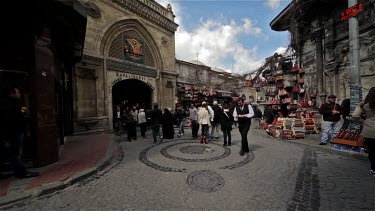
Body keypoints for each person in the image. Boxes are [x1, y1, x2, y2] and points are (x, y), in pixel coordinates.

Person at [0, 85, 39, 178]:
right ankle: (21, 173)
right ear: (11, 93)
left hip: (11, 133)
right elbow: (11, 120)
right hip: (12, 133)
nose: (19, 94)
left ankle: (13, 170)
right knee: (16, 154)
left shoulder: (11, 103)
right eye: (17, 92)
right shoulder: (7, 104)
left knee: (12, 153)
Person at [352, 87, 375, 176]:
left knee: (372, 150)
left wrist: (364, 122)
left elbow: (354, 116)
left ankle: (373, 169)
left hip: (370, 130)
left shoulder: (364, 104)